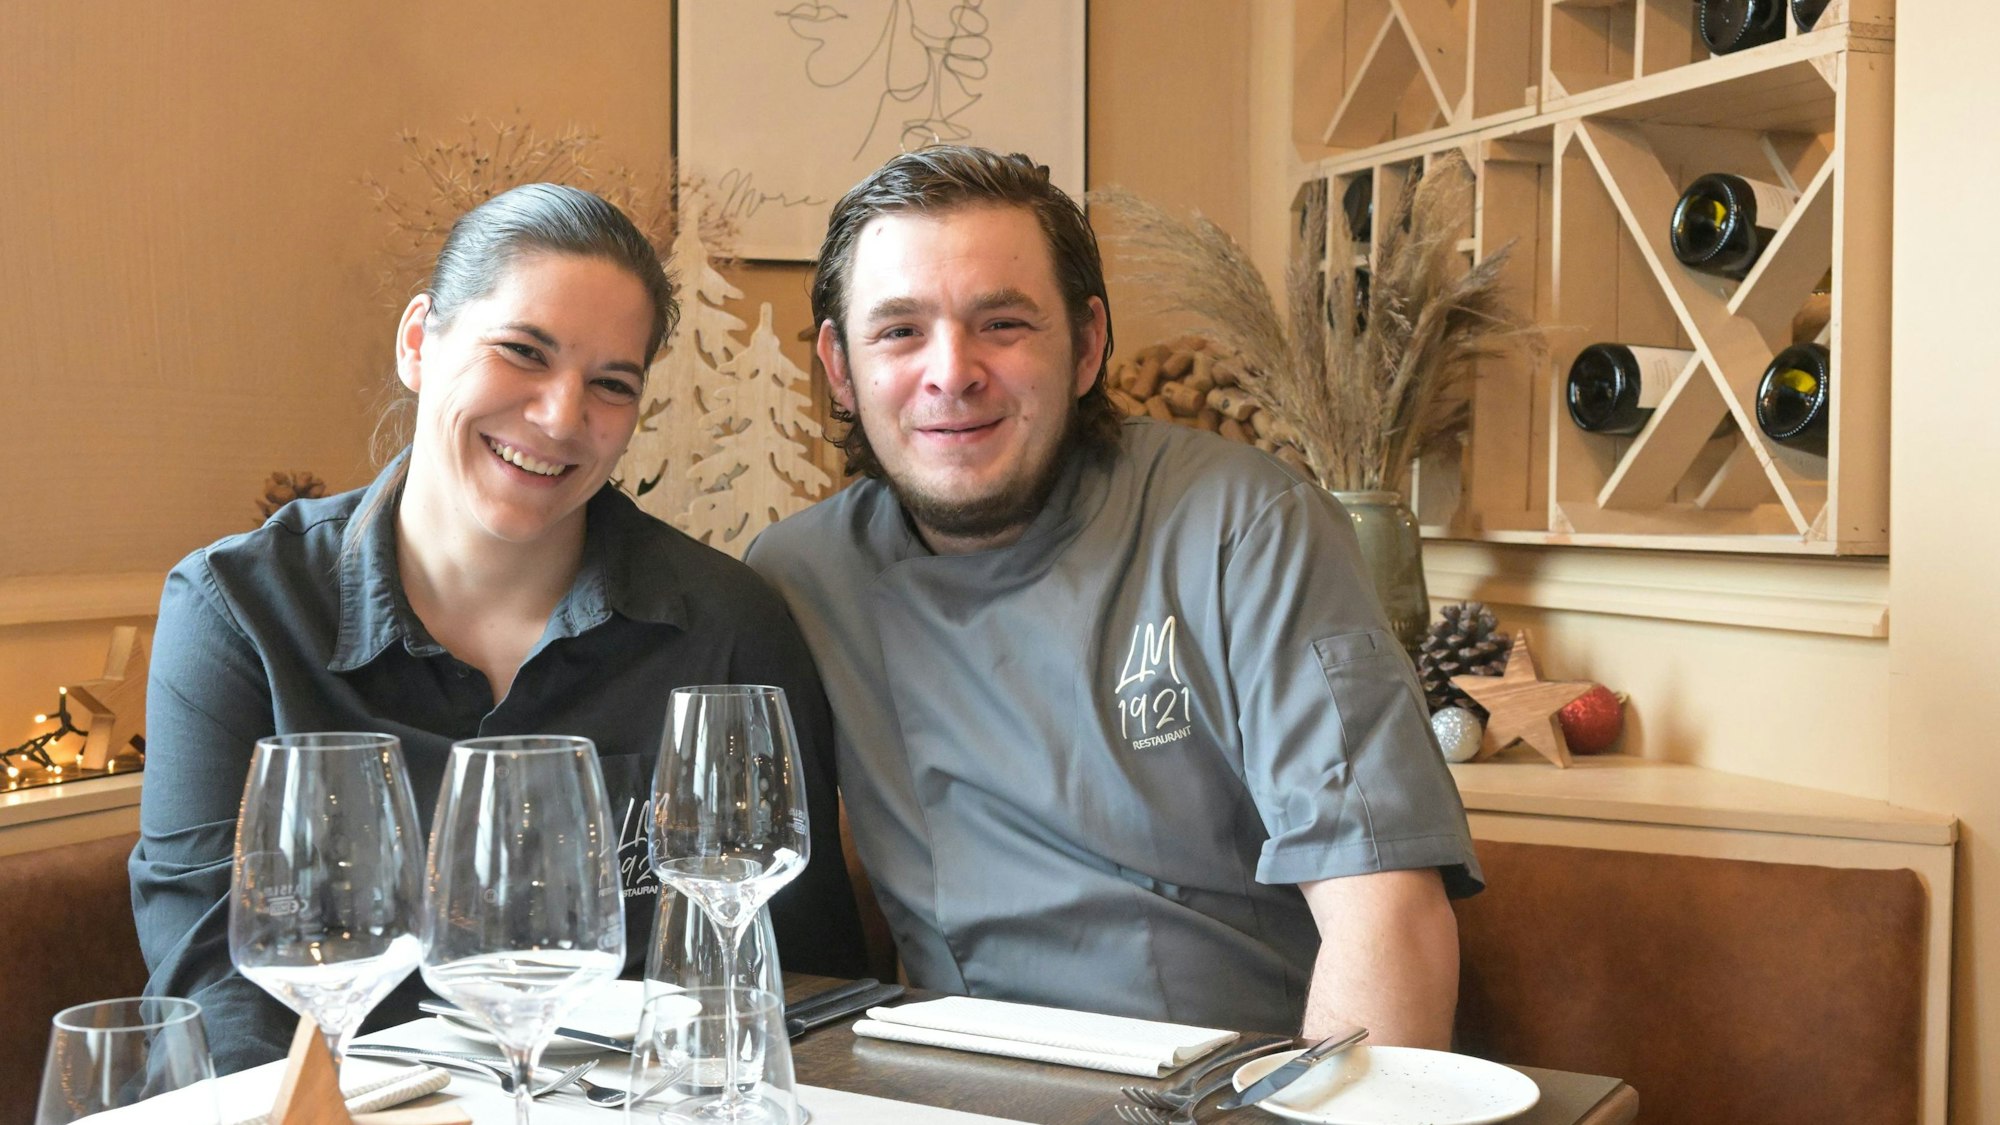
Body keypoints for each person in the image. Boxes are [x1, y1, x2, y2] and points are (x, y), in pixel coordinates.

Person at [746, 147, 1481, 1045]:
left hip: (1237, 1093)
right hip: (957, 1090)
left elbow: (1389, 913)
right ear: (839, 366)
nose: (952, 371)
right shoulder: (798, 576)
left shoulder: (1246, 528)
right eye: (899, 331)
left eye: (1003, 323)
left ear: (1087, 343)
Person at [131, 183, 865, 1074]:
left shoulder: (727, 628)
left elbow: (803, 984)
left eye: (611, 384)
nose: (561, 417)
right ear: (418, 342)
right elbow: (220, 998)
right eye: (522, 351)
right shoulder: (238, 613)